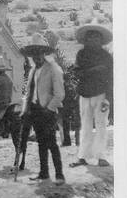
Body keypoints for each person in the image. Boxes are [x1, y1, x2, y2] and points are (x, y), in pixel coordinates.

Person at [22, 32, 65, 184]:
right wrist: (25, 110)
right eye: (34, 54)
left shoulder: (53, 69)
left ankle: (59, 174)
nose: (37, 56)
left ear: (44, 53)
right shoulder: (33, 70)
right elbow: (29, 92)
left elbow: (60, 94)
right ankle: (44, 172)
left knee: (51, 143)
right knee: (41, 142)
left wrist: (49, 109)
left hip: (47, 111)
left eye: (39, 53)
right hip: (34, 110)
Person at [71, 21, 113, 169]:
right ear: (86, 40)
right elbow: (76, 72)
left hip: (101, 95)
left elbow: (111, 78)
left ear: (101, 40)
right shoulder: (81, 54)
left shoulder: (106, 56)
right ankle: (82, 156)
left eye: (96, 38)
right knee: (86, 125)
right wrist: (95, 70)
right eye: (90, 38)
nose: (93, 40)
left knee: (101, 124)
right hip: (84, 95)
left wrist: (109, 98)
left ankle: (101, 156)